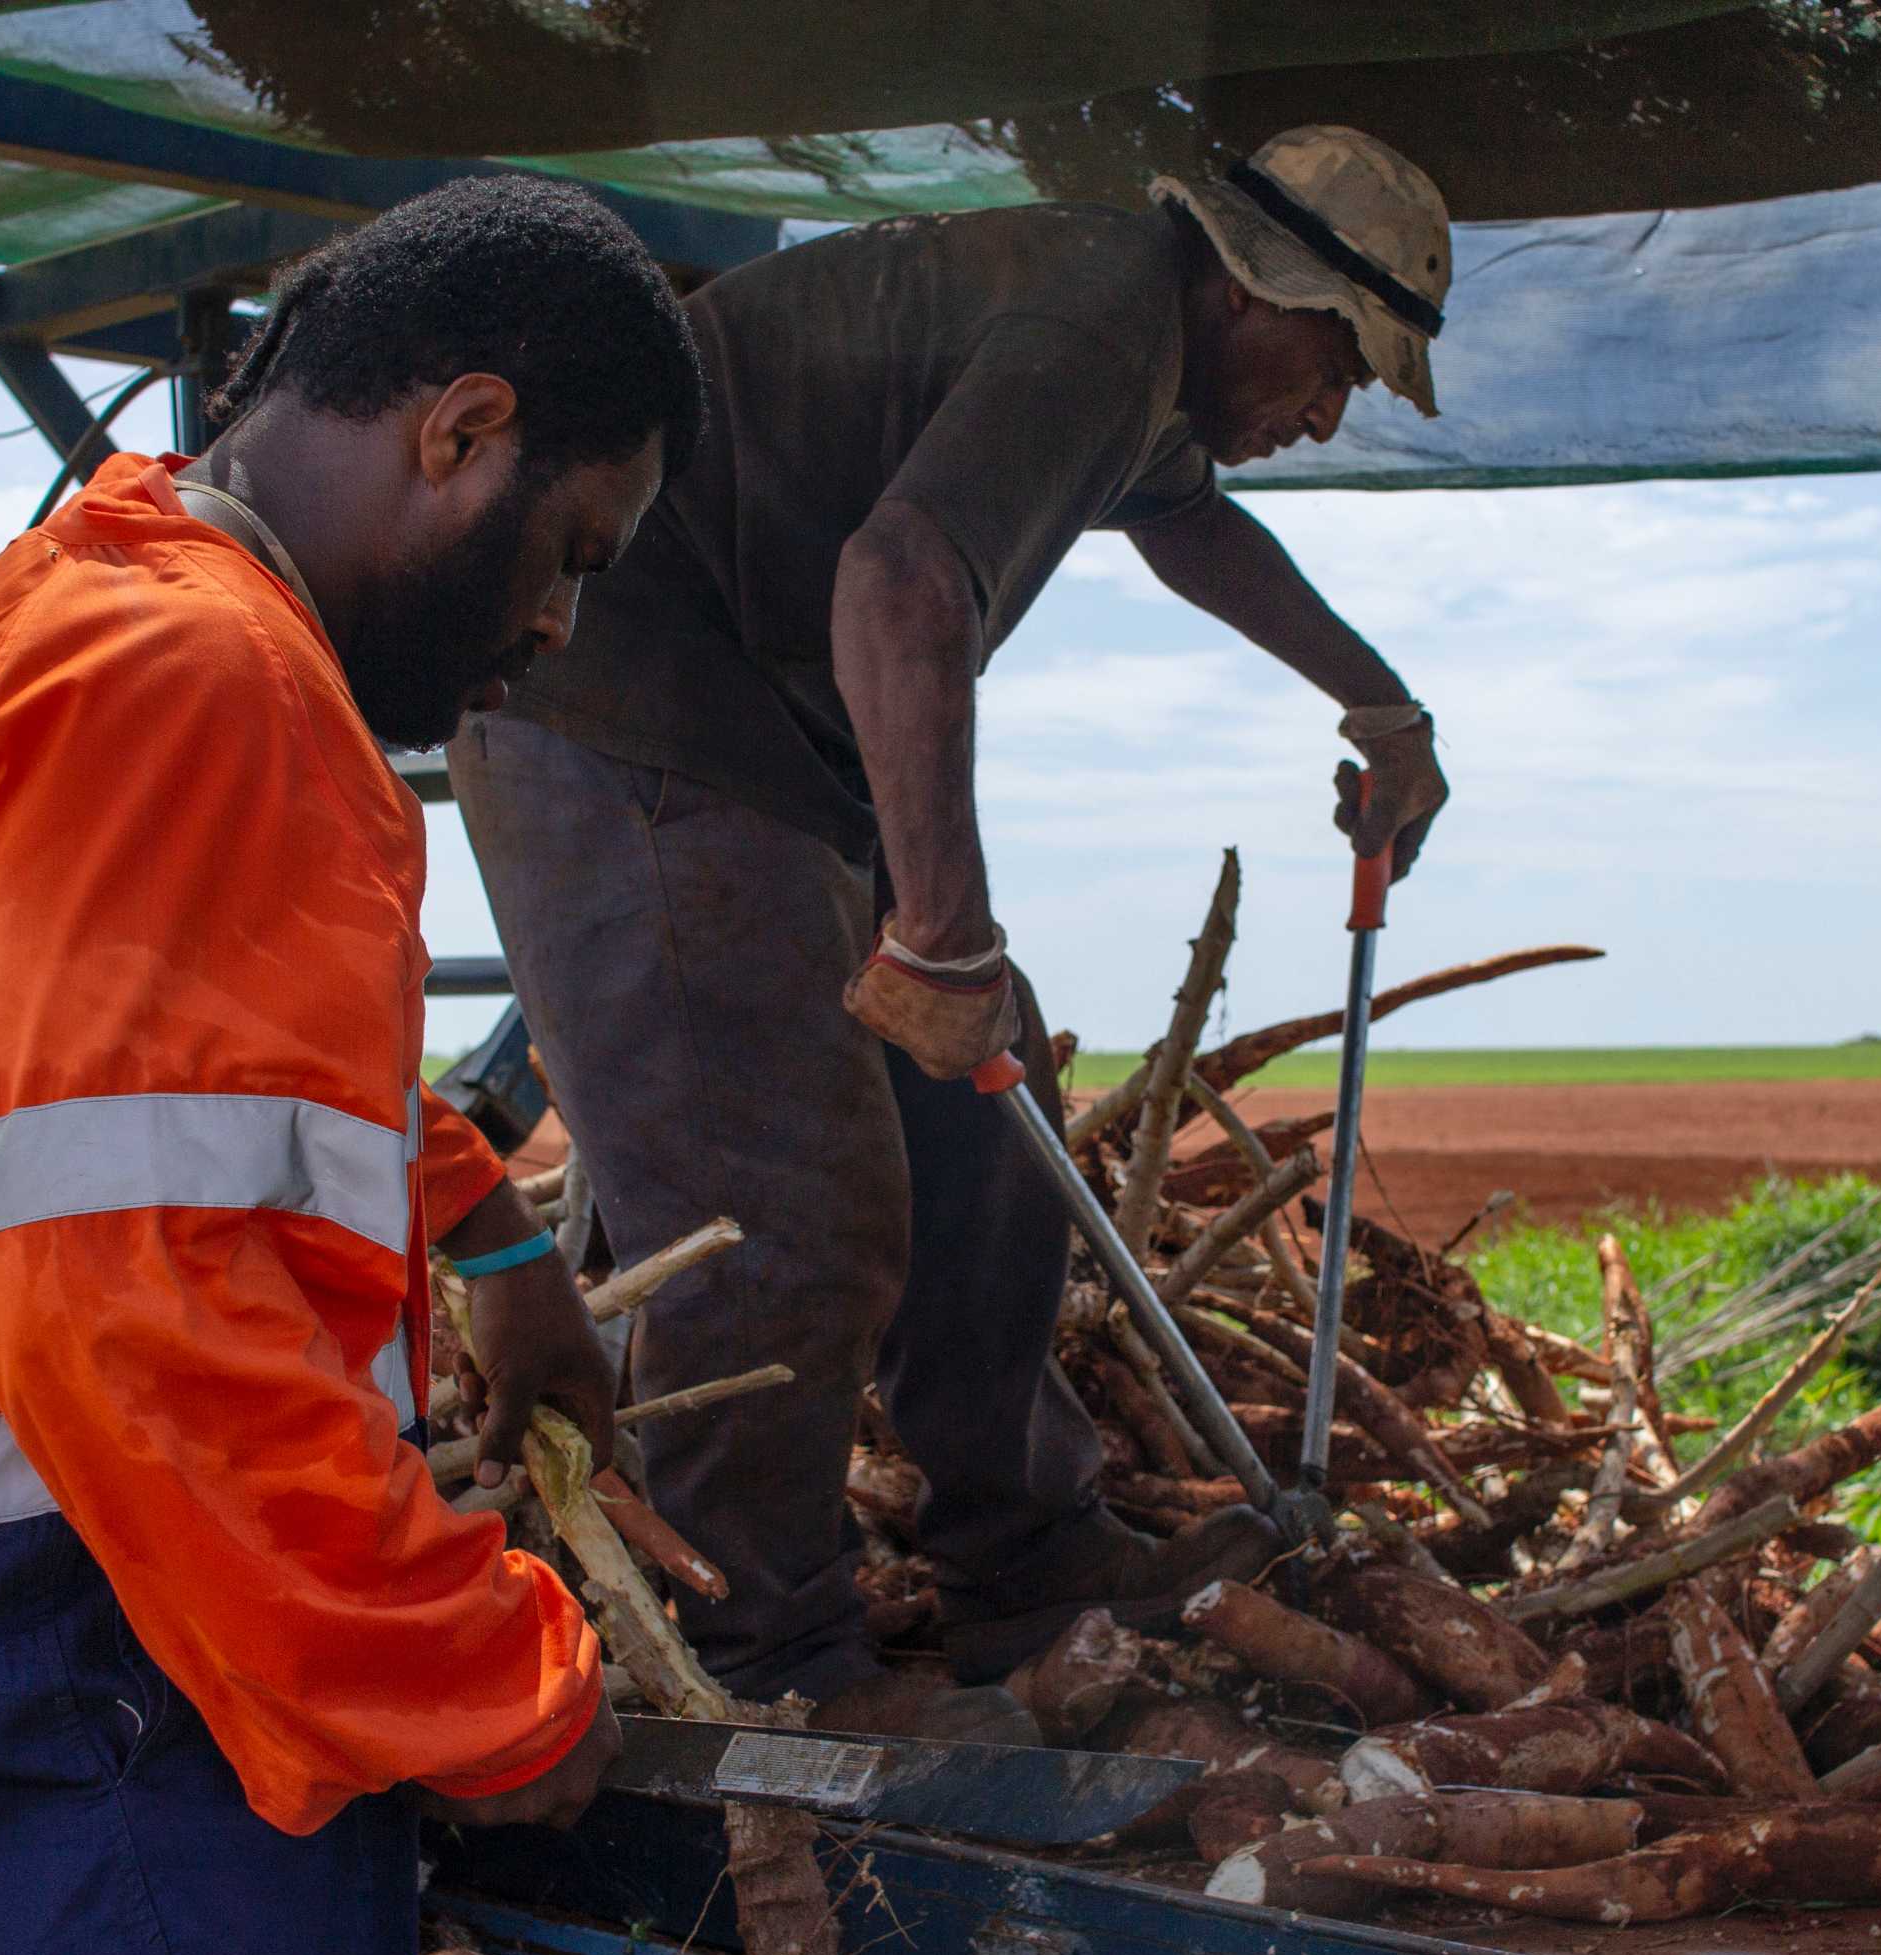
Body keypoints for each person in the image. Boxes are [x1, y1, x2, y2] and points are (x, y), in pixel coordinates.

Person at [0, 179, 706, 1955]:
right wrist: (478, 1678)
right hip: (34, 1652)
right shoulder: (205, 680)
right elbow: (130, 1311)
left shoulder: (86, 595)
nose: (554, 625)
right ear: (464, 431)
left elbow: (166, 1077)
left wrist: (484, 1229)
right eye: (576, 553)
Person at [450, 124, 1454, 1733]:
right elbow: (902, 582)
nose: (1330, 412)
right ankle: (756, 1664)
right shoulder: (1098, 324)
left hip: (760, 739)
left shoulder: (1137, 355)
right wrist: (942, 928)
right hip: (617, 705)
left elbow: (1192, 526)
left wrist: (1379, 704)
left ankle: (1030, 1561)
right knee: (772, 1204)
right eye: (1338, 362)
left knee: (983, 1134)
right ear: (1260, 287)